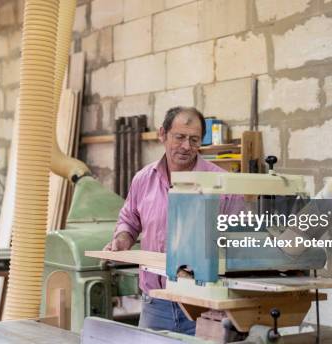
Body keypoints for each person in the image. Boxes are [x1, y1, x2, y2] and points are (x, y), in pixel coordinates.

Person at [103, 106, 242, 335]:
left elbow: (237, 241)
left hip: (204, 305)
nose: (186, 146)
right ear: (162, 134)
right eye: (179, 137)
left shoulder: (223, 185)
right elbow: (129, 220)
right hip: (155, 304)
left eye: (194, 140)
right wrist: (122, 240)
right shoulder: (143, 179)